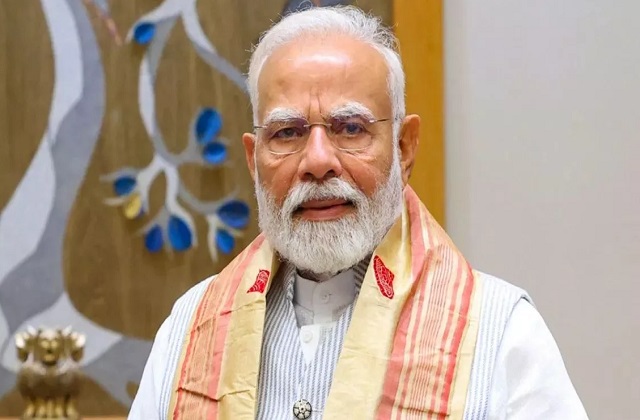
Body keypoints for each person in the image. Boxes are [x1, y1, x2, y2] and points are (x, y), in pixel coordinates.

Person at [129, 6, 587, 419]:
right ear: (254, 160)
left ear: (404, 148)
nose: (317, 161)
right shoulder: (191, 329)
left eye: (350, 128)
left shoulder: (499, 332)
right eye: (287, 133)